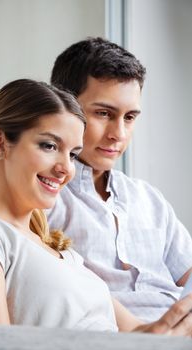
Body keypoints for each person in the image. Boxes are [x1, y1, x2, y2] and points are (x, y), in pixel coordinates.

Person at [0, 78, 192, 336]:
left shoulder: (63, 253)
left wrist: (176, 326)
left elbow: (139, 333)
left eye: (72, 154)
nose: (66, 169)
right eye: (49, 146)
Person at [46, 37, 192, 322]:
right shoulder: (39, 191)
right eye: (104, 113)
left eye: (130, 117)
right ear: (62, 105)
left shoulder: (148, 199)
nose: (119, 134)